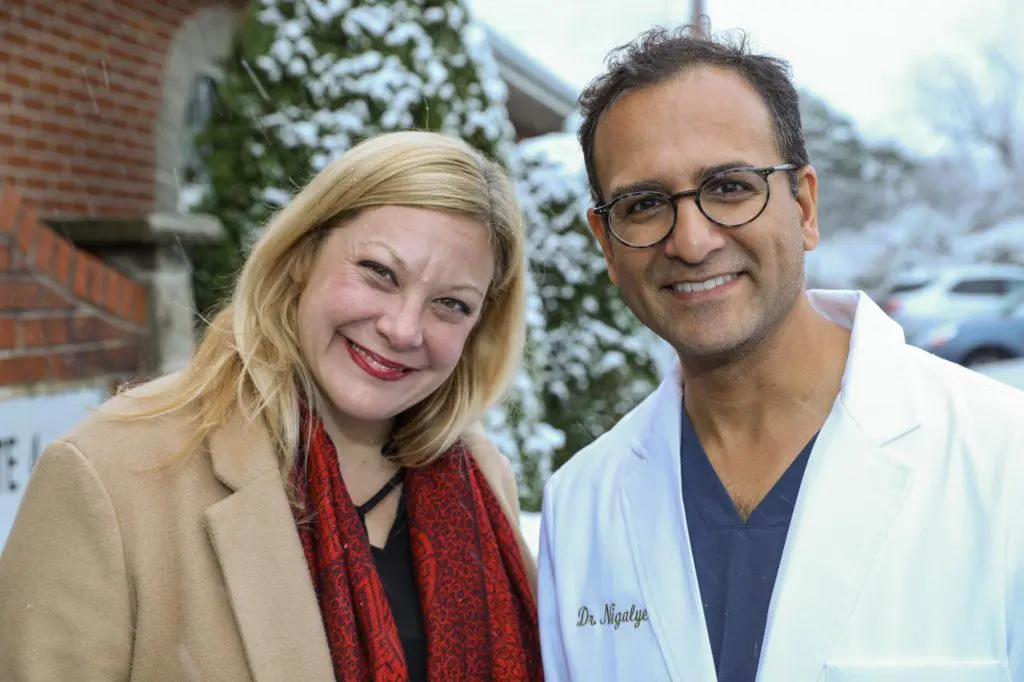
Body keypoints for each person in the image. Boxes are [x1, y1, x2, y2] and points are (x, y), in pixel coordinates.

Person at [537, 26, 1024, 682]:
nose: (692, 241)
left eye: (729, 187)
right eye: (644, 204)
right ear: (606, 241)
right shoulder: (579, 508)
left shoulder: (1002, 458)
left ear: (804, 205)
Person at [0, 131, 542, 682]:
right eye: (380, 272)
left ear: (479, 327)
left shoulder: (481, 479)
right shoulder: (113, 472)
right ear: (302, 255)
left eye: (450, 304)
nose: (403, 329)